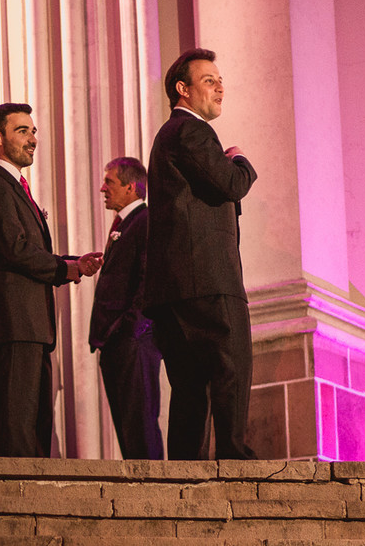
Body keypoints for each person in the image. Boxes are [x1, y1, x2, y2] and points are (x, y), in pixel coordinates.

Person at [0, 102, 103, 456]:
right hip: (14, 323)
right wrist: (65, 269)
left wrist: (72, 263)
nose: (33, 139)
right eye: (22, 131)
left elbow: (25, 250)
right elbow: (15, 249)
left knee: (34, 422)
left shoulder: (14, 187)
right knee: (17, 425)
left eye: (33, 131)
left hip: (31, 324)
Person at [145, 48, 258, 460]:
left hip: (175, 287)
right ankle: (235, 462)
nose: (220, 87)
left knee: (190, 386)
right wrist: (240, 160)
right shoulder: (189, 131)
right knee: (231, 368)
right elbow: (230, 183)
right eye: (209, 80)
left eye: (220, 79)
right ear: (183, 89)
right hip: (206, 278)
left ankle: (185, 474)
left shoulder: (168, 136)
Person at [89, 156, 163, 460]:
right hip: (117, 343)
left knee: (140, 424)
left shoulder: (145, 221)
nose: (103, 188)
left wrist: (128, 331)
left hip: (134, 343)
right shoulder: (124, 224)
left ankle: (155, 496)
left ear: (131, 187)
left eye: (110, 182)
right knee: (126, 427)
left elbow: (148, 281)